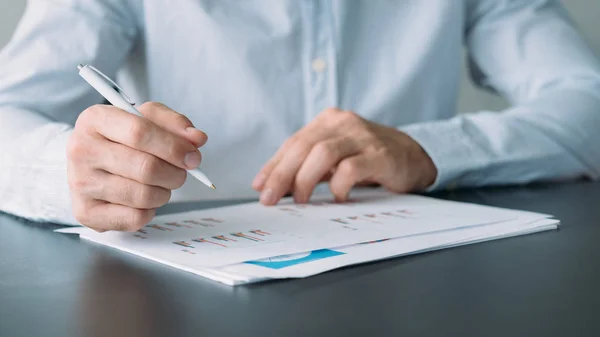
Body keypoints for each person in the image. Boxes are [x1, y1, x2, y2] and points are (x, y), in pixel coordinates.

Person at [0, 0, 599, 232]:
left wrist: (431, 151)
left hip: (417, 281)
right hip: (185, 281)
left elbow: (587, 101)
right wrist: (68, 171)